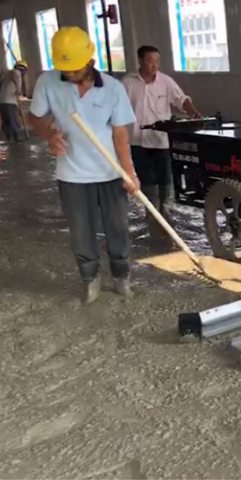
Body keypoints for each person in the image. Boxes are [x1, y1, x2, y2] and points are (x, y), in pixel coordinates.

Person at [29, 26, 139, 305]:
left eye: (75, 68)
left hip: (110, 173)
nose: (69, 73)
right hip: (72, 175)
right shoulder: (47, 82)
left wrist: (129, 173)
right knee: (80, 233)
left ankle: (122, 278)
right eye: (64, 68)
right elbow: (35, 117)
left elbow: (120, 135)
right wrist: (49, 136)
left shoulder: (112, 88)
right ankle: (90, 280)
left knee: (118, 229)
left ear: (90, 60)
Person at [122, 45, 201, 237]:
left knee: (165, 176)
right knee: (146, 177)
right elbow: (117, 107)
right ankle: (152, 212)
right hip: (138, 139)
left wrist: (193, 113)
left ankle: (165, 210)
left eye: (157, 61)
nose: (154, 65)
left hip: (161, 140)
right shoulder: (127, 83)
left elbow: (181, 99)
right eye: (150, 61)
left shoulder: (165, 81)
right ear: (140, 60)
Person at [0, 60, 28, 143]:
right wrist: (19, 89)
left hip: (2, 102)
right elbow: (15, 75)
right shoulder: (17, 73)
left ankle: (8, 139)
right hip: (9, 102)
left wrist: (18, 108)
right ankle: (17, 139)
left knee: (7, 121)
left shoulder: (6, 74)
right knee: (13, 121)